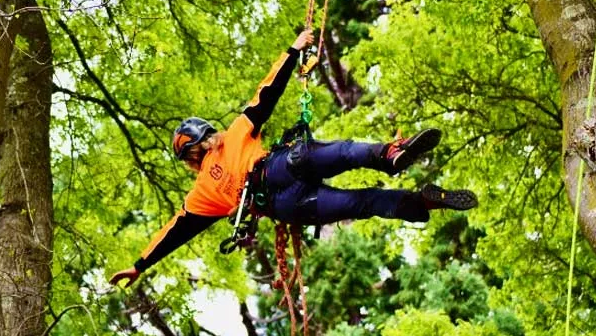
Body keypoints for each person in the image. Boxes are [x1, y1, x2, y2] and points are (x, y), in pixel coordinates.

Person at [109, 29, 477, 287]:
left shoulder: (237, 132)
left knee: (348, 160)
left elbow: (266, 93)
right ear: (192, 149)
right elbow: (176, 231)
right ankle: (422, 201)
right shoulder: (201, 193)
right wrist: (140, 265)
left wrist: (292, 51)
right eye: (199, 141)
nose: (206, 141)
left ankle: (392, 157)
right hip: (285, 199)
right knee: (359, 198)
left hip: (283, 171)